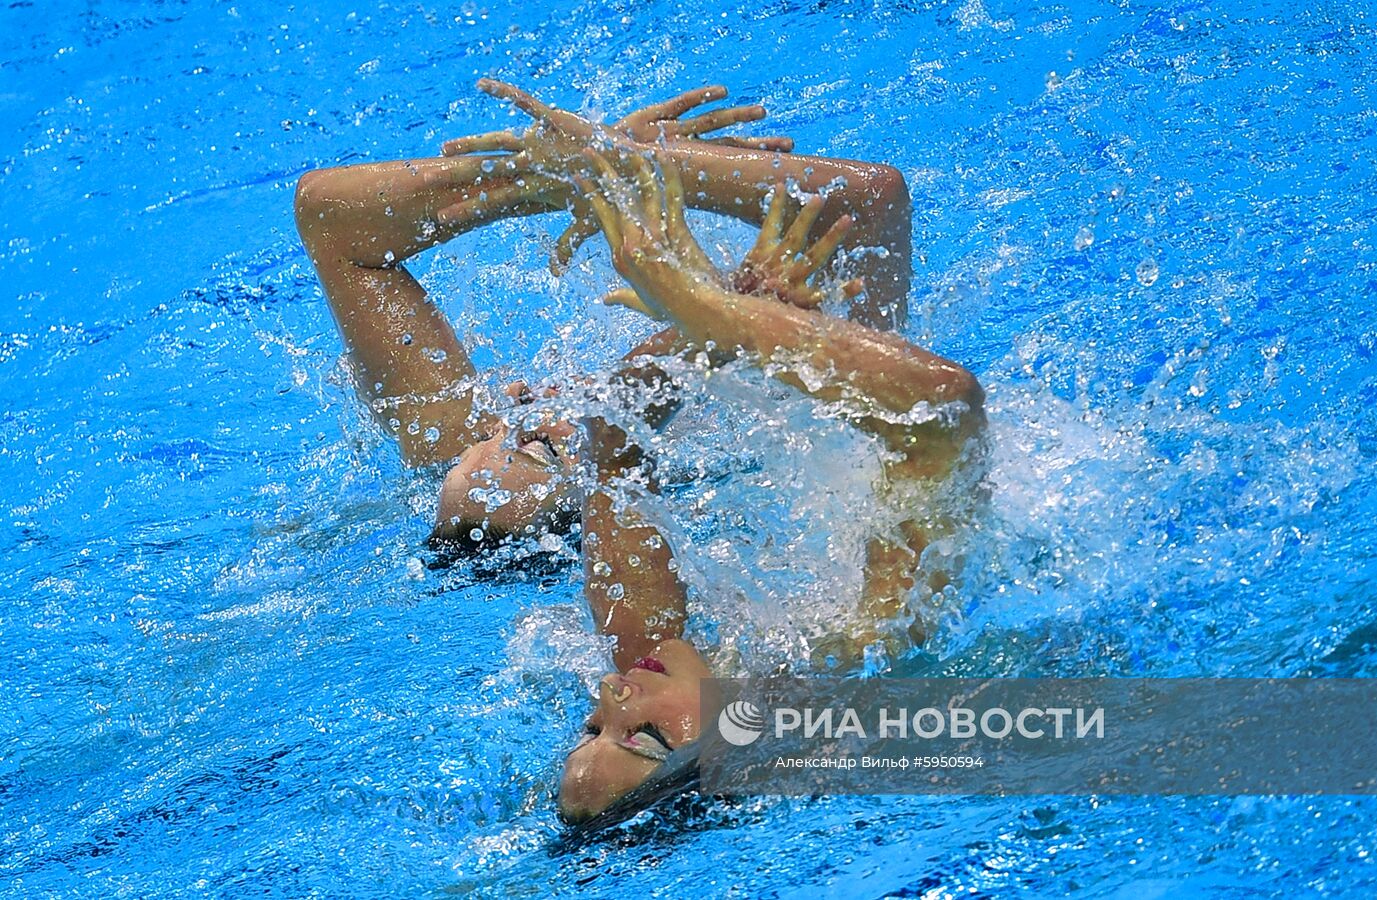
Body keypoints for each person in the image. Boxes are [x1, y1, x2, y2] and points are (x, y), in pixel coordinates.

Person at [459, 81, 986, 824]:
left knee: (861, 207)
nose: (611, 697)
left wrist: (715, 327)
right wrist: (713, 310)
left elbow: (617, 441)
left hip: (811, 413)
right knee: (864, 206)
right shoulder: (862, 655)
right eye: (640, 735)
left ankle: (620, 163)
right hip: (907, 435)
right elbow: (946, 410)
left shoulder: (643, 645)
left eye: (589, 728)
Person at [293, 84, 914, 552]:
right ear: (607, 484)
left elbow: (329, 217)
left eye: (492, 431)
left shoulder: (458, 445)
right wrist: (647, 166)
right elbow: (869, 202)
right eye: (538, 446)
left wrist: (569, 174)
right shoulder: (783, 440)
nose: (520, 402)